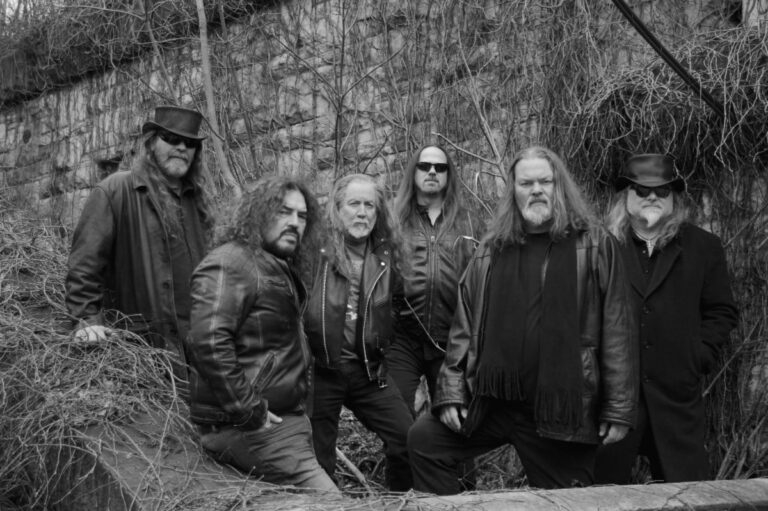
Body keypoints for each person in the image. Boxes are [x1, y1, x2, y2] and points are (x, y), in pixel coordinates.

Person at [407, 146, 637, 494]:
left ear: (560, 186)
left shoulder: (594, 244)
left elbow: (618, 329)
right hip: (494, 403)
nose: (536, 190)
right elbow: (464, 327)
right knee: (425, 440)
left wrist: (618, 408)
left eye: (545, 181)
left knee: (568, 502)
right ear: (513, 190)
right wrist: (452, 392)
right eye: (526, 183)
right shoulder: (492, 248)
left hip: (559, 410)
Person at [185, 176, 337, 491]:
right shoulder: (231, 262)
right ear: (257, 213)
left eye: (302, 216)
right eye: (283, 211)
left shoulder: (272, 264)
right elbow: (208, 341)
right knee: (333, 503)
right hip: (252, 428)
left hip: (280, 423)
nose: (294, 222)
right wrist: (249, 409)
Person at [595, 153, 738, 484]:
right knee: (601, 495)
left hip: (677, 399)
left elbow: (722, 311)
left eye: (662, 191)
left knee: (687, 495)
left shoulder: (704, 246)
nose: (652, 197)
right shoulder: (600, 246)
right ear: (625, 195)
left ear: (674, 197)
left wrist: (697, 356)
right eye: (642, 190)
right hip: (615, 403)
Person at [65, 105, 212, 380]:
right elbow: (84, 266)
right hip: (144, 350)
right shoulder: (115, 191)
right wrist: (87, 320)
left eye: (190, 143)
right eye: (172, 139)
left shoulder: (200, 203)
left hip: (199, 350)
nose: (182, 147)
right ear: (151, 143)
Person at [304, 173, 413, 491]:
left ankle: (398, 500)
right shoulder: (313, 252)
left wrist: (383, 343)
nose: (362, 213)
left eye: (370, 205)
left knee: (407, 440)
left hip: (368, 370)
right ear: (337, 208)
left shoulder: (385, 256)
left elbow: (398, 307)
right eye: (354, 204)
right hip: (321, 371)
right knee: (318, 461)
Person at [389, 144, 478, 416]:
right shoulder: (393, 220)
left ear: (448, 175)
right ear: (413, 172)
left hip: (451, 339)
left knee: (453, 422)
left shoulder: (469, 223)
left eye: (440, 167)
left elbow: (481, 280)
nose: (432, 172)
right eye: (424, 166)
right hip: (402, 338)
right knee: (399, 418)